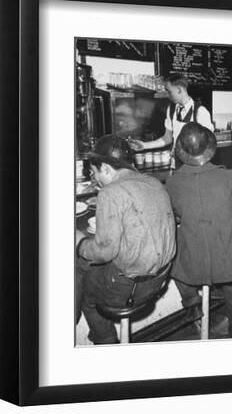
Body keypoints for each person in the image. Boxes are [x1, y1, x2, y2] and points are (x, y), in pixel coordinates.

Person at [75, 134, 176, 344]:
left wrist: (80, 243)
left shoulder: (110, 193)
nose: (96, 180)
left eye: (95, 173)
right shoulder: (154, 182)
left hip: (133, 288)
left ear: (106, 168)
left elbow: (104, 253)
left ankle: (105, 343)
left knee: (82, 283)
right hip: (161, 278)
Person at [166, 123, 232, 337]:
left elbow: (169, 222)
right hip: (228, 261)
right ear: (210, 147)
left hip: (193, 264)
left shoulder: (172, 183)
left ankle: (192, 304)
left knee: (173, 261)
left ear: (181, 150)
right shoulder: (230, 177)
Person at [129, 74, 214, 152]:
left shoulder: (200, 112)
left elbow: (209, 143)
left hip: (194, 164)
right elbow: (167, 138)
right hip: (176, 161)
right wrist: (144, 145)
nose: (168, 95)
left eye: (169, 92)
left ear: (179, 90)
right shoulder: (171, 109)